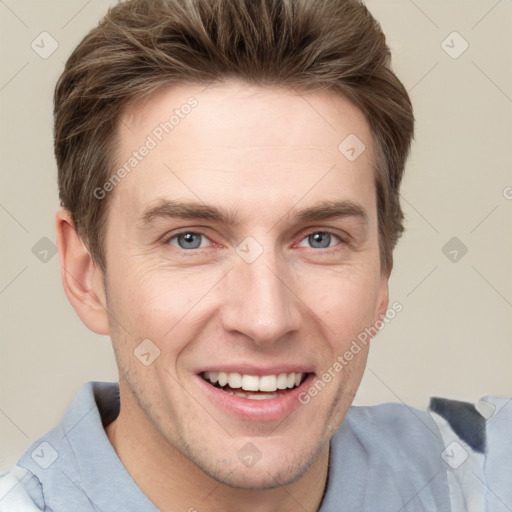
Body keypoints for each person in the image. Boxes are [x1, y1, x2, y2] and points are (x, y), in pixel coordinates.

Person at [0, 0, 510, 510]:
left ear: (382, 274)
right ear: (85, 273)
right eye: (190, 239)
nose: (266, 319)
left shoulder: (481, 476)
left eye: (319, 239)